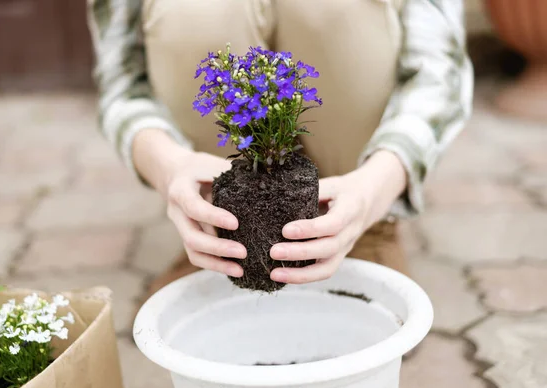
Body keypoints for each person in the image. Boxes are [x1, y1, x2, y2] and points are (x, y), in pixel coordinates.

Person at [87, 0, 472, 292]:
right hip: (226, 147)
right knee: (196, 9)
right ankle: (220, 230)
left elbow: (440, 71)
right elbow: (122, 79)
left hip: (356, 113)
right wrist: (169, 165)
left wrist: (377, 186)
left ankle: (362, 226)